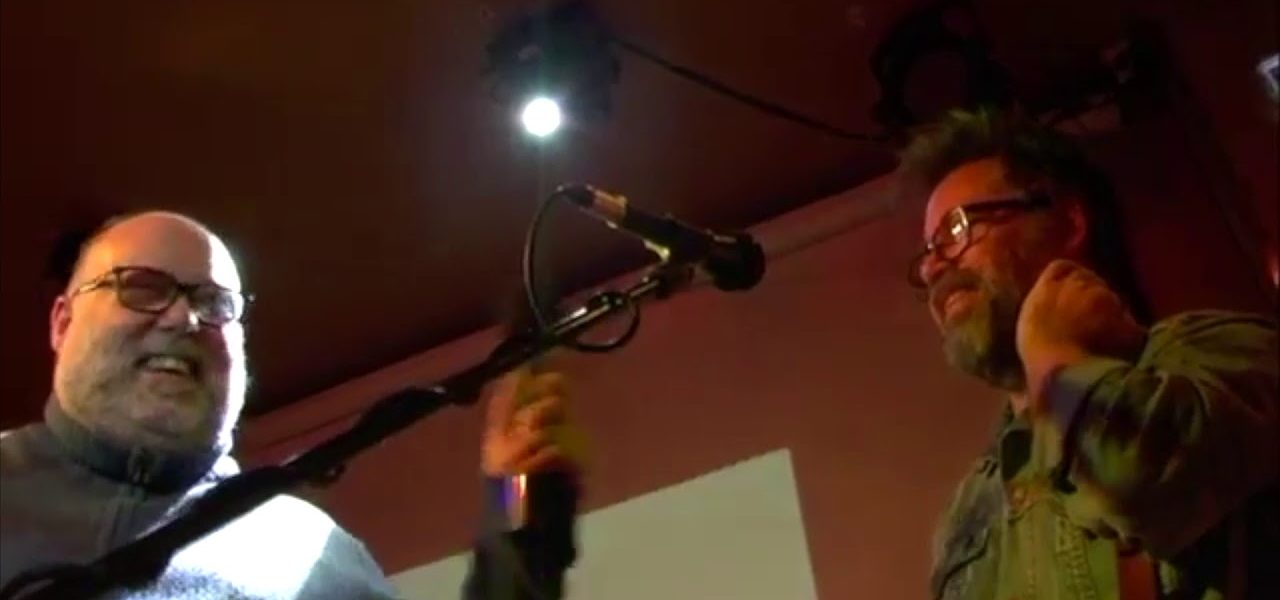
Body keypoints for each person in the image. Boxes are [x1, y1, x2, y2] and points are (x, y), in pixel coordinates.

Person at [0, 211, 582, 599]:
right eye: (142, 287)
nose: (183, 317)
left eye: (215, 303)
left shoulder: (313, 557)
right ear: (62, 322)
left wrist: (519, 527)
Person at [901, 108, 1278, 599]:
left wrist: (1054, 356)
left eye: (955, 230)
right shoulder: (966, 513)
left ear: (1068, 223)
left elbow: (1143, 484)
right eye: (927, 253)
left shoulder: (1225, 354)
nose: (933, 268)